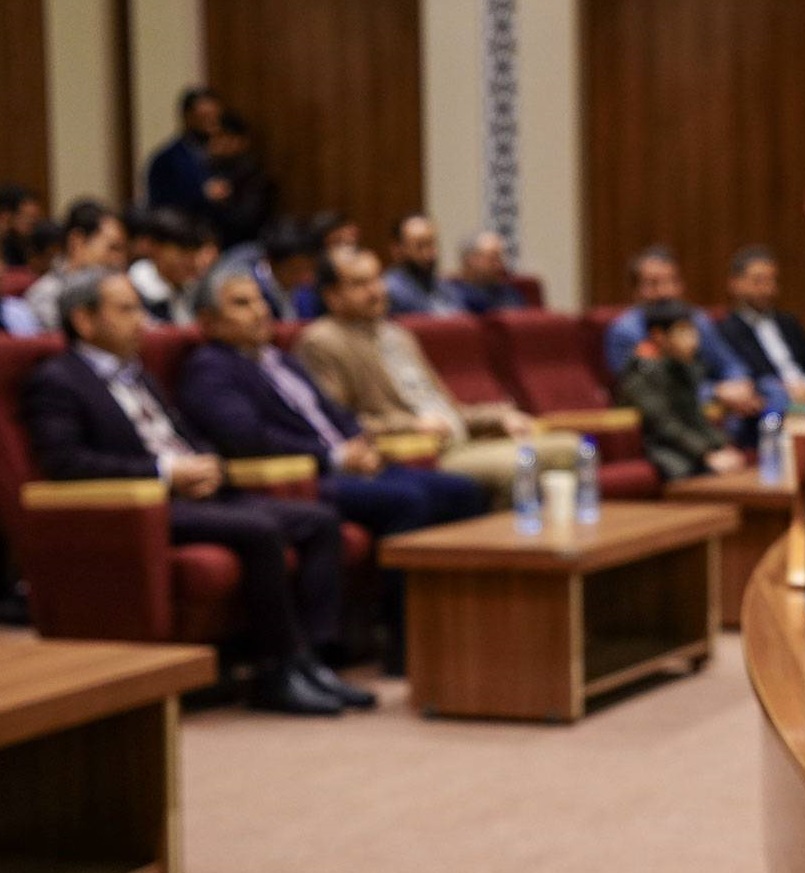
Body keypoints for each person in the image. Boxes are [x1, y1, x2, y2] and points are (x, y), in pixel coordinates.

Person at [24, 268, 374, 715]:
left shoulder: (139, 373)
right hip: (141, 506)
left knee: (320, 521)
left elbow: (184, 435)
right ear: (84, 320)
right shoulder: (58, 380)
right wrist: (166, 473)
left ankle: (314, 659)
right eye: (126, 310)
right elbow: (67, 464)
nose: (142, 321)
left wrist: (209, 464)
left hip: (196, 493)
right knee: (261, 529)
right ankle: (277, 670)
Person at [178, 270, 488, 674]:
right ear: (208, 321)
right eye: (242, 304)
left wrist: (359, 442)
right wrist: (335, 456)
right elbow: (249, 438)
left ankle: (462, 625)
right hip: (304, 479)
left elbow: (334, 414)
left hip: (347, 466)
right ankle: (406, 643)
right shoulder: (211, 368)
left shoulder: (280, 359)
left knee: (462, 491)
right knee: (408, 501)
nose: (259, 311)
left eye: (260, 300)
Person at [295, 246, 577, 499]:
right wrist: (413, 425)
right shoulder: (322, 342)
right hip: (424, 454)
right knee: (520, 466)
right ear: (332, 296)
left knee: (571, 447)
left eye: (377, 279)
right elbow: (338, 425)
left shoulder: (398, 334)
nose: (376, 290)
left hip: (459, 439)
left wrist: (500, 416)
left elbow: (450, 410)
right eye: (360, 284)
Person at [603, 246, 770, 439]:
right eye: (653, 283)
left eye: (672, 281)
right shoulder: (625, 331)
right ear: (636, 290)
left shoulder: (697, 319)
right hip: (667, 416)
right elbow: (650, 391)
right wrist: (716, 392)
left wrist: (739, 384)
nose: (665, 291)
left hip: (716, 405)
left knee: (770, 388)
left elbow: (729, 364)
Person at [618, 299, 746, 480]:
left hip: (690, 448)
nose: (693, 340)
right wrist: (706, 454)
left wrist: (724, 446)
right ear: (659, 336)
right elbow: (665, 425)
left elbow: (696, 417)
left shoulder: (683, 368)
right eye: (683, 332)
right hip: (665, 452)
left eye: (693, 331)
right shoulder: (642, 373)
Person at [716, 245, 805, 407]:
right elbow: (744, 378)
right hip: (771, 406)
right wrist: (786, 389)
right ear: (735, 283)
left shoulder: (788, 322)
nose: (768, 289)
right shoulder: (725, 331)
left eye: (772, 281)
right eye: (758, 281)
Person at [22, 200, 129, 333]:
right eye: (113, 248)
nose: (120, 260)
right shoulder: (45, 295)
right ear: (77, 241)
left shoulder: (125, 288)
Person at [145, 87, 223, 219]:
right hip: (183, 225)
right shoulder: (167, 160)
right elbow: (161, 203)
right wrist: (202, 194)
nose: (212, 123)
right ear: (188, 117)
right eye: (205, 117)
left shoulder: (228, 155)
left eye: (215, 117)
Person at [204, 111, 277, 249]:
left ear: (240, 141)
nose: (214, 142)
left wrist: (222, 202)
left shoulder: (254, 177)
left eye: (221, 136)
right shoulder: (207, 170)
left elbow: (247, 221)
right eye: (211, 137)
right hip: (204, 244)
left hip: (243, 246)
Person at [129, 209, 208, 326]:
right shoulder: (132, 288)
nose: (193, 263)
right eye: (183, 252)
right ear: (154, 247)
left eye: (195, 253)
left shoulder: (194, 289)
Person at [383, 213, 466, 315]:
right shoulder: (389, 291)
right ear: (398, 251)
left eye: (432, 244)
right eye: (420, 246)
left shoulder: (446, 287)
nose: (429, 254)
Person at [449, 230, 528, 313]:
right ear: (471, 260)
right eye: (493, 259)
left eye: (500, 259)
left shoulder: (510, 295)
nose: (500, 266)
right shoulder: (449, 296)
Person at [1, 184, 43, 268]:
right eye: (28, 217)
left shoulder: (23, 244)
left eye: (36, 218)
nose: (33, 223)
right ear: (6, 216)